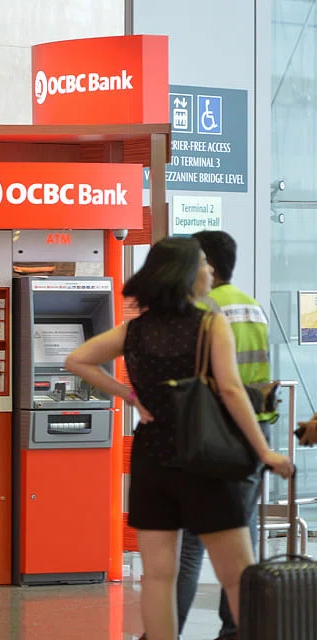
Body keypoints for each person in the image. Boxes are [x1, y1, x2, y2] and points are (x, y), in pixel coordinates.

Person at [64, 237, 293, 640]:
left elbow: (76, 360)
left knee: (158, 576)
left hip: (152, 458)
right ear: (186, 274)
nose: (209, 270)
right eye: (202, 264)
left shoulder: (134, 330)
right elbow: (232, 390)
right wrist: (264, 450)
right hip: (207, 459)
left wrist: (130, 396)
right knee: (237, 575)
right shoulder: (209, 325)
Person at [170, 230, 280, 640]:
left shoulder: (204, 308)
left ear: (209, 266)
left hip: (212, 433)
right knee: (243, 533)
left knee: (191, 544)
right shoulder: (252, 306)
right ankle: (236, 629)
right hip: (254, 429)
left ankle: (168, 630)